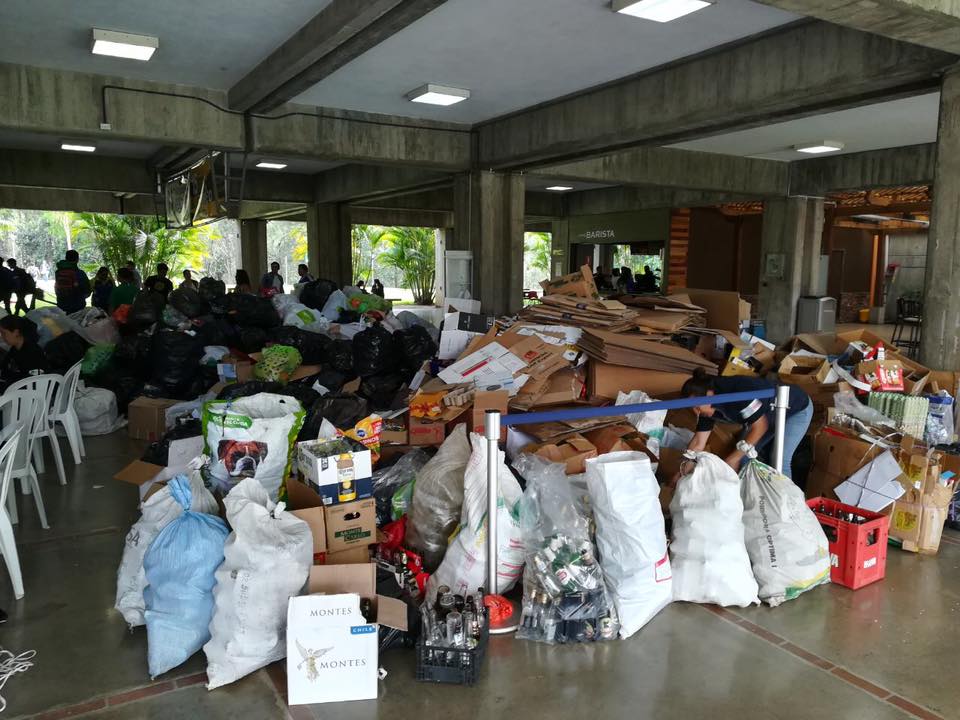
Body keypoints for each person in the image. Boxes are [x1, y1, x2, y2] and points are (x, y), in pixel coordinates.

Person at [679, 369, 813, 481]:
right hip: (766, 416)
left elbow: (760, 427)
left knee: (779, 460)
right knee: (744, 460)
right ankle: (750, 501)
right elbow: (698, 442)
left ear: (708, 394)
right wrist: (681, 472)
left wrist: (732, 459)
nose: (697, 412)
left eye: (697, 407)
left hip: (796, 408)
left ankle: (789, 505)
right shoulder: (707, 407)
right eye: (693, 409)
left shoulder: (738, 392)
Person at [0, 315, 47, 392]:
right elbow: (4, 368)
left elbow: (32, 382)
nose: (2, 337)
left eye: (4, 333)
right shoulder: (15, 349)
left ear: (16, 332)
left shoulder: (32, 352)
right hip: (15, 389)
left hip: (27, 394)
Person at [55, 249, 91, 314]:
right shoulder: (80, 273)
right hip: (77, 309)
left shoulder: (58, 272)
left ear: (66, 258)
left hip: (61, 308)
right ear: (77, 260)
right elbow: (87, 291)